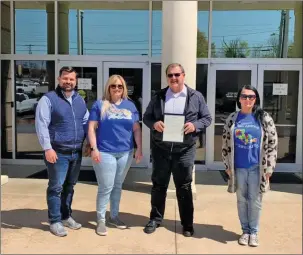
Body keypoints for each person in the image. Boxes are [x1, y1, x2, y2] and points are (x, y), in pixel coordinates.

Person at [142, 63, 212, 237]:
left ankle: (187, 224)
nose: (174, 78)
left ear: (183, 75)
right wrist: (154, 124)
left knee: (184, 187)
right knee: (159, 186)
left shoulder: (196, 96)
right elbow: (147, 117)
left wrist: (195, 125)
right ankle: (155, 219)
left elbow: (207, 118)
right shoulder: (158, 96)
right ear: (167, 77)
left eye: (177, 75)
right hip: (161, 149)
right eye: (170, 75)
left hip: (185, 150)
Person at [35, 66, 89, 237]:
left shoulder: (80, 100)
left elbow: (86, 122)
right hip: (57, 152)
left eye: (71, 79)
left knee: (70, 187)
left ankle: (66, 216)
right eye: (65, 78)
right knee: (56, 187)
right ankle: (55, 221)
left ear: (76, 81)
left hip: (75, 152)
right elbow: (41, 124)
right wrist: (47, 148)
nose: (68, 82)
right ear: (59, 79)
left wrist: (89, 141)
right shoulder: (48, 99)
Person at [222, 85, 278, 247]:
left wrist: (269, 168)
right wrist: (227, 164)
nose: (248, 100)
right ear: (239, 99)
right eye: (244, 96)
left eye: (251, 97)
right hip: (238, 167)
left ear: (256, 99)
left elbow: (272, 144)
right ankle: (245, 231)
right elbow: (225, 143)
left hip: (257, 168)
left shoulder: (263, 117)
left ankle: (253, 232)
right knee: (241, 200)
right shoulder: (233, 118)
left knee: (255, 200)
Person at [87, 74, 143, 236]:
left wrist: (139, 148)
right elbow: (91, 128)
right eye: (113, 86)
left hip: (126, 152)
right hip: (105, 152)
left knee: (117, 186)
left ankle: (114, 216)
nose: (117, 88)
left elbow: (136, 129)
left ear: (124, 88)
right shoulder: (100, 105)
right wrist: (94, 148)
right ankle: (101, 219)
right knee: (106, 187)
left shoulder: (130, 106)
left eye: (120, 86)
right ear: (108, 88)